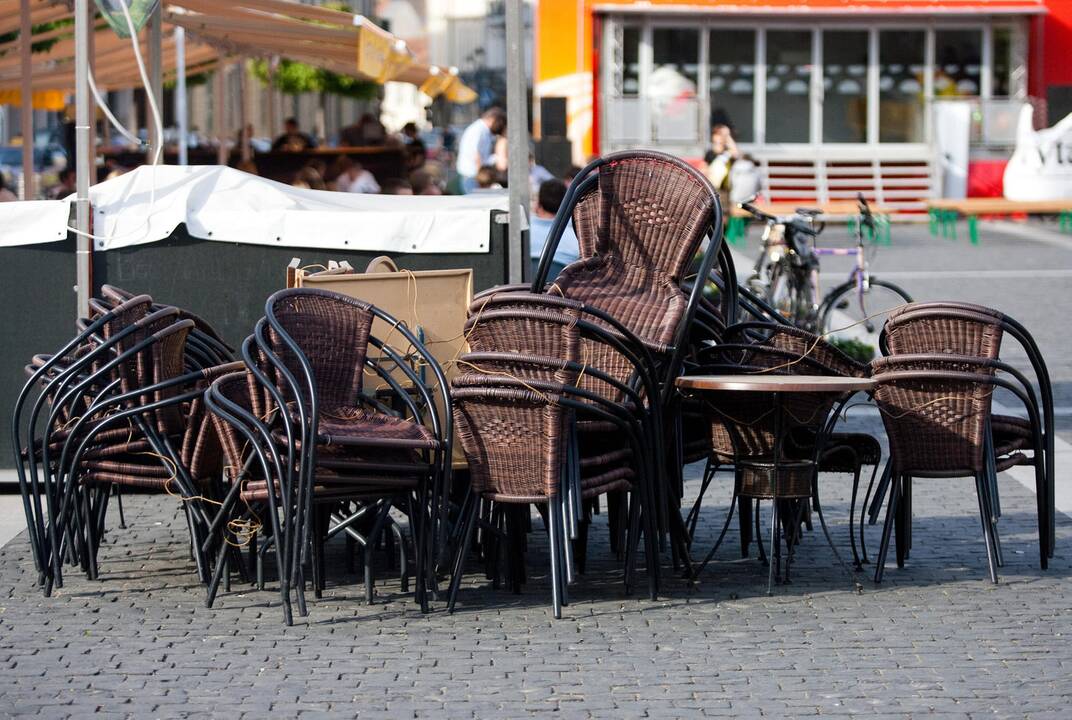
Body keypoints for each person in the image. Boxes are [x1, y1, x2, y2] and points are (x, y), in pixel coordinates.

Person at [528, 179, 580, 281]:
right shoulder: (577, 239)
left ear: (538, 204)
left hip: (519, 294)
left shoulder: (518, 235)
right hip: (559, 295)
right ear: (567, 205)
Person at [456, 107, 505, 193]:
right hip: (471, 175)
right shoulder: (479, 130)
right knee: (475, 202)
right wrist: (482, 178)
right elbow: (476, 155)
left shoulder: (483, 130)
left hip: (473, 175)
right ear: (492, 119)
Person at [704, 124, 739, 211]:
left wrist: (728, 137)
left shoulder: (727, 153)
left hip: (724, 190)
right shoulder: (710, 153)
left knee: (724, 213)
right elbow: (705, 168)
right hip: (712, 188)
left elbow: (736, 154)